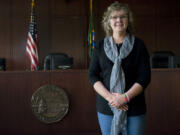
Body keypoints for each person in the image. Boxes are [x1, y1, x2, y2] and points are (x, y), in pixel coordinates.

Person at [88, 1, 151, 135]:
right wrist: (112, 98)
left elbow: (144, 77)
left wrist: (125, 97)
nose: (119, 20)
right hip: (107, 106)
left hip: (134, 106)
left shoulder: (139, 45)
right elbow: (92, 75)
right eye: (114, 17)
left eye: (123, 16)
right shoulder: (99, 46)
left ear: (128, 20)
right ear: (108, 21)